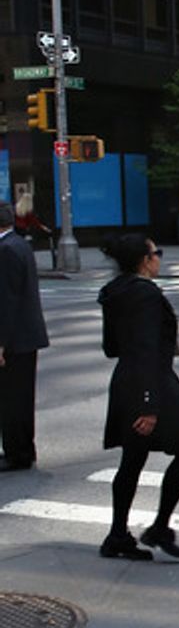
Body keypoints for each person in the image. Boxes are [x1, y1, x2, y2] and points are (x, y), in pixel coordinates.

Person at [97, 233, 179, 560]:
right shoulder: (145, 294)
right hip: (152, 382)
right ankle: (157, 527)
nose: (159, 257)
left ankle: (118, 535)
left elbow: (111, 348)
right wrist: (149, 403)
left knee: (132, 461)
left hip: (126, 379)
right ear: (145, 260)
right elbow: (147, 348)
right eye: (156, 252)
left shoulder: (114, 291)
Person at [0, 201, 49, 473]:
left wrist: (1, 342)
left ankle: (17, 453)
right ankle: (22, 450)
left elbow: (6, 301)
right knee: (20, 397)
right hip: (26, 336)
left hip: (15, 339)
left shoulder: (5, 250)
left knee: (11, 400)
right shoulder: (18, 244)